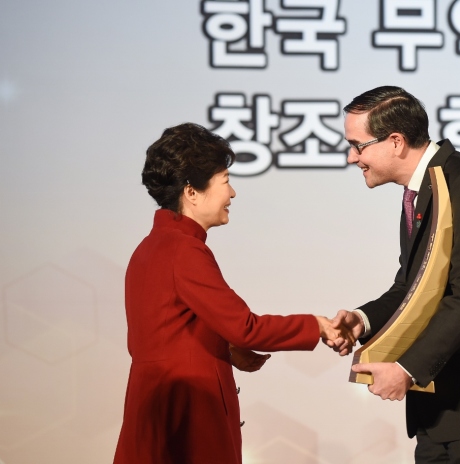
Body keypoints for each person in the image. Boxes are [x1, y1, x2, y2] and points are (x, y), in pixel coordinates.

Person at [328, 86, 460, 463]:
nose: (352, 158)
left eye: (357, 145)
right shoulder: (422, 189)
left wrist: (408, 369)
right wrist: (361, 321)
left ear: (395, 141)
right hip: (439, 406)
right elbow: (410, 289)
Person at [113, 123, 347, 464]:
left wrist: (226, 347)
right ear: (192, 191)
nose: (233, 193)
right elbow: (245, 327)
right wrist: (317, 325)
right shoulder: (185, 251)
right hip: (188, 414)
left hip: (155, 409)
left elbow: (173, 327)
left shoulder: (150, 247)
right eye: (225, 181)